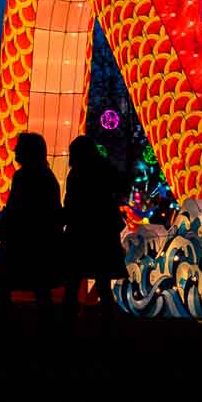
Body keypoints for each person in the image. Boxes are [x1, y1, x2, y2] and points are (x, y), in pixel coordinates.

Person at [0, 132, 62, 324]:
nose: (15, 151)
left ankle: (3, 325)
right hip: (42, 242)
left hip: (20, 241)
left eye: (19, 148)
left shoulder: (23, 177)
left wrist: (0, 224)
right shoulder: (49, 177)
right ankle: (47, 329)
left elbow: (16, 210)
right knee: (41, 288)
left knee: (4, 284)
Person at [61, 135, 125, 326]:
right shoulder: (106, 170)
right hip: (103, 232)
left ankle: (69, 318)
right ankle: (107, 318)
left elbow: (71, 203)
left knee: (72, 280)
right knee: (103, 281)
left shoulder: (77, 174)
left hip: (80, 232)